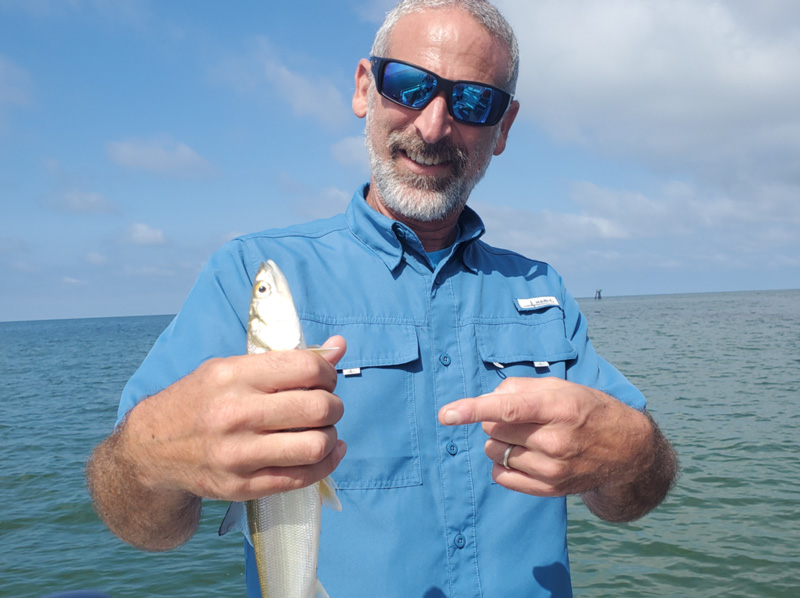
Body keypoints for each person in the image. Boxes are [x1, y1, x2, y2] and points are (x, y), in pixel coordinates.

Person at [85, 1, 678, 596]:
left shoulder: (541, 289)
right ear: (365, 88)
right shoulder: (252, 271)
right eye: (409, 85)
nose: (434, 124)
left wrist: (633, 453)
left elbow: (629, 500)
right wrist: (150, 455)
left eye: (473, 102)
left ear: (503, 129)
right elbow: (140, 523)